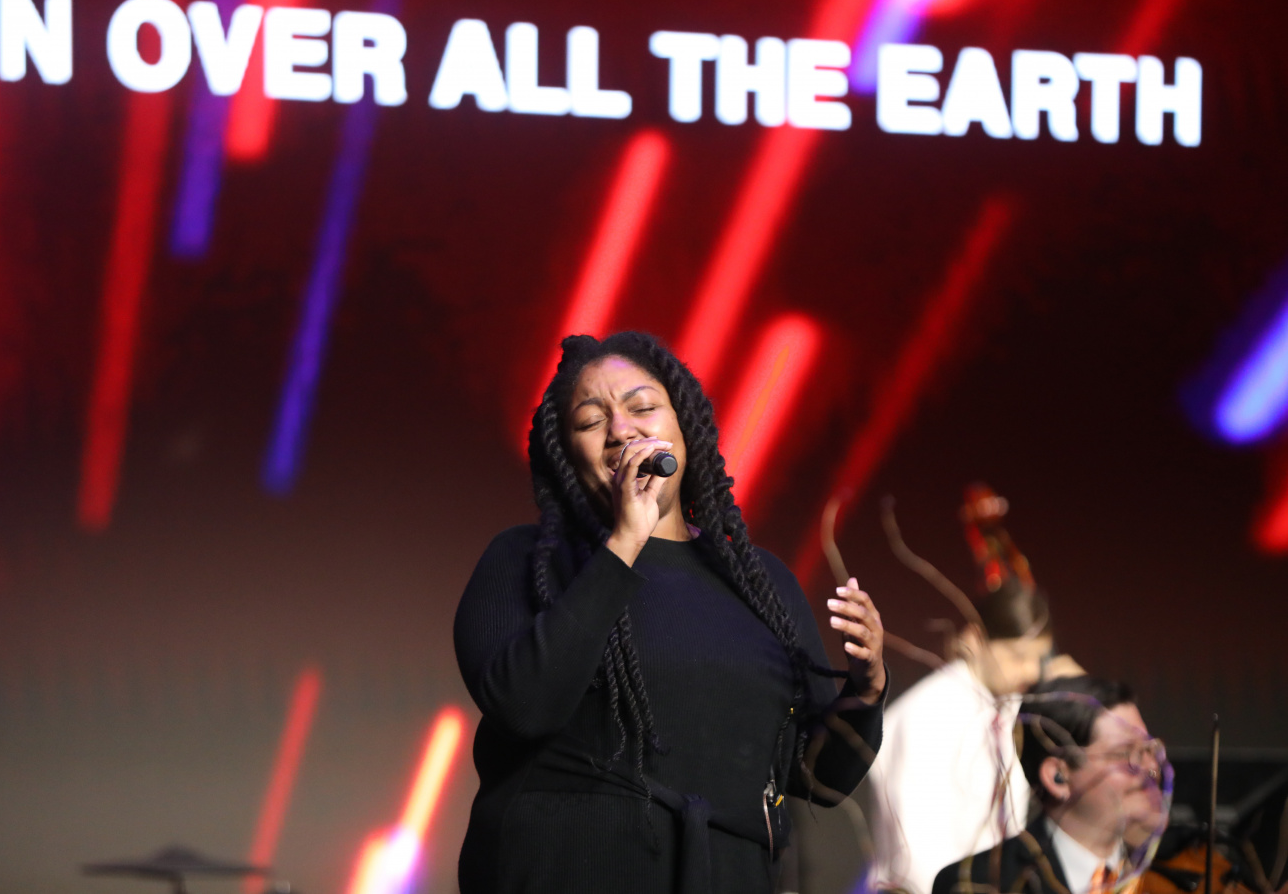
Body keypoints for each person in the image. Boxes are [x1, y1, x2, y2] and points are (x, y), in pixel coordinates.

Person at [453, 331, 888, 894]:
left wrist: (867, 689)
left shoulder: (760, 582)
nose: (621, 430)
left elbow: (817, 780)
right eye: (591, 422)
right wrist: (623, 543)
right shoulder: (524, 559)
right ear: (566, 456)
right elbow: (524, 707)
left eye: (642, 408)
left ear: (685, 428)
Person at [868, 485, 1067, 894]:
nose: (1030, 671)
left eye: (1037, 658)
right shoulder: (927, 714)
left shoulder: (1010, 708)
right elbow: (916, 850)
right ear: (975, 638)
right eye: (1016, 656)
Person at [930, 675, 1168, 894]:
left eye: (1149, 749)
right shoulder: (977, 883)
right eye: (1124, 753)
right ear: (1058, 777)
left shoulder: (1174, 871)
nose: (1150, 766)